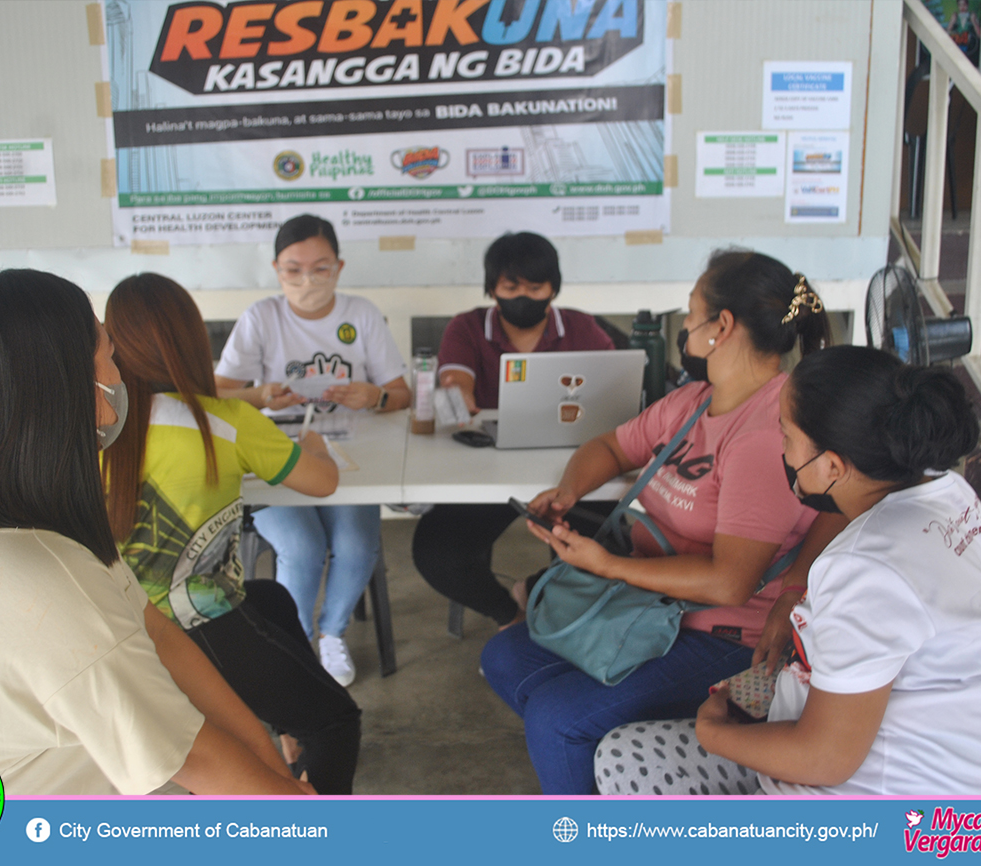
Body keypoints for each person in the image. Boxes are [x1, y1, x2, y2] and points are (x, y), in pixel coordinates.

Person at [0, 269, 313, 796]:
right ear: (65, 390)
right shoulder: (47, 587)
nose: (120, 377)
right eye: (110, 357)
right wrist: (307, 816)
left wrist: (271, 762)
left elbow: (159, 632)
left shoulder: (10, 534)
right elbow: (198, 762)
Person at [480, 249, 841, 794]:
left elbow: (729, 582)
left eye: (690, 311)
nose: (685, 324)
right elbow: (609, 445)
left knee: (557, 718)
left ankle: (606, 790)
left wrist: (610, 565)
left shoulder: (765, 431)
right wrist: (569, 490)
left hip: (726, 635)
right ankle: (622, 767)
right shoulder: (695, 402)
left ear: (721, 326)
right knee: (505, 656)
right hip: (651, 612)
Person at [596, 346, 981, 795]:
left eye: (786, 435)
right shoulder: (945, 489)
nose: (780, 448)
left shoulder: (864, 568)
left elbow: (824, 759)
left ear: (834, 465)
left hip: (882, 808)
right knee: (619, 755)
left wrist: (715, 735)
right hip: (940, 758)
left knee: (629, 777)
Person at [102, 272, 362, 794]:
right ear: (194, 341)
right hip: (200, 630)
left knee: (272, 599)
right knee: (337, 722)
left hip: (130, 629)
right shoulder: (226, 422)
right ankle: (319, 831)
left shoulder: (103, 428)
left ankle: (286, 733)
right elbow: (323, 482)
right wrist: (310, 443)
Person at [214, 214, 410, 686]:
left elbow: (400, 394)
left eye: (320, 268)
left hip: (353, 452)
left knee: (357, 543)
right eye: (293, 270)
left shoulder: (360, 314)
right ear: (277, 269)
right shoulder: (262, 317)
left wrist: (376, 397)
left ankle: (332, 633)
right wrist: (261, 396)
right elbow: (217, 394)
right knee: (303, 546)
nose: (307, 280)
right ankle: (294, 641)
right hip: (274, 452)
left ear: (339, 267)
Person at [411, 231, 617, 628]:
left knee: (602, 549)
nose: (522, 296)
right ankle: (511, 617)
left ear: (553, 288)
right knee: (438, 552)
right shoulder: (467, 327)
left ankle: (544, 597)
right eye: (510, 287)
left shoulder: (582, 329)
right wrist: (459, 397)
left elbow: (613, 389)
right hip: (489, 474)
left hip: (571, 472)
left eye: (535, 287)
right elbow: (456, 378)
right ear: (492, 289)